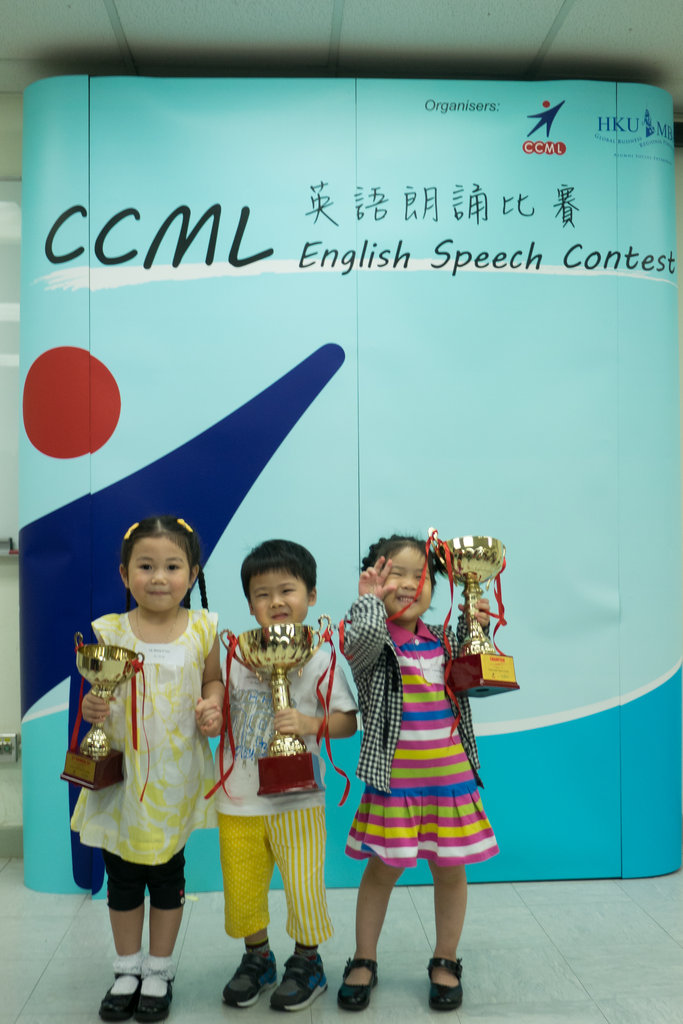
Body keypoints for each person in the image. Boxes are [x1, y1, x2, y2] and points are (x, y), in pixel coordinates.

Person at [336, 535, 499, 1013]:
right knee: (380, 873)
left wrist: (477, 628)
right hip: (396, 787)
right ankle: (364, 958)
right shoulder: (372, 643)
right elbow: (359, 641)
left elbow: (478, 672)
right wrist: (368, 602)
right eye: (395, 574)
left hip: (452, 784)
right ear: (375, 583)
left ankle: (445, 958)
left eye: (419, 575)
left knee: (451, 873)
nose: (409, 584)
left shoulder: (444, 640)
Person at [71, 516, 224, 1023]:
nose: (159, 577)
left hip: (174, 781)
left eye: (172, 566)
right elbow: (96, 696)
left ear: (193, 573)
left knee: (167, 874)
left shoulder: (203, 628)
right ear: (124, 573)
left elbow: (213, 681)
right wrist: (91, 708)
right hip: (123, 780)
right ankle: (127, 970)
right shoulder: (108, 631)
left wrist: (212, 705)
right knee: (122, 876)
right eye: (146, 566)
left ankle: (159, 970)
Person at [214, 539, 358, 1012]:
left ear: (311, 596)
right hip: (240, 799)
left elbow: (347, 721)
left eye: (287, 590)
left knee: (303, 885)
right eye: (262, 594)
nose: (275, 601)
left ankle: (307, 962)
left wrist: (310, 724)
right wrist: (210, 714)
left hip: (298, 798)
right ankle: (257, 958)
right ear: (249, 604)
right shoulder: (237, 655)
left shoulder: (320, 656)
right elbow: (218, 708)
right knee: (243, 887)